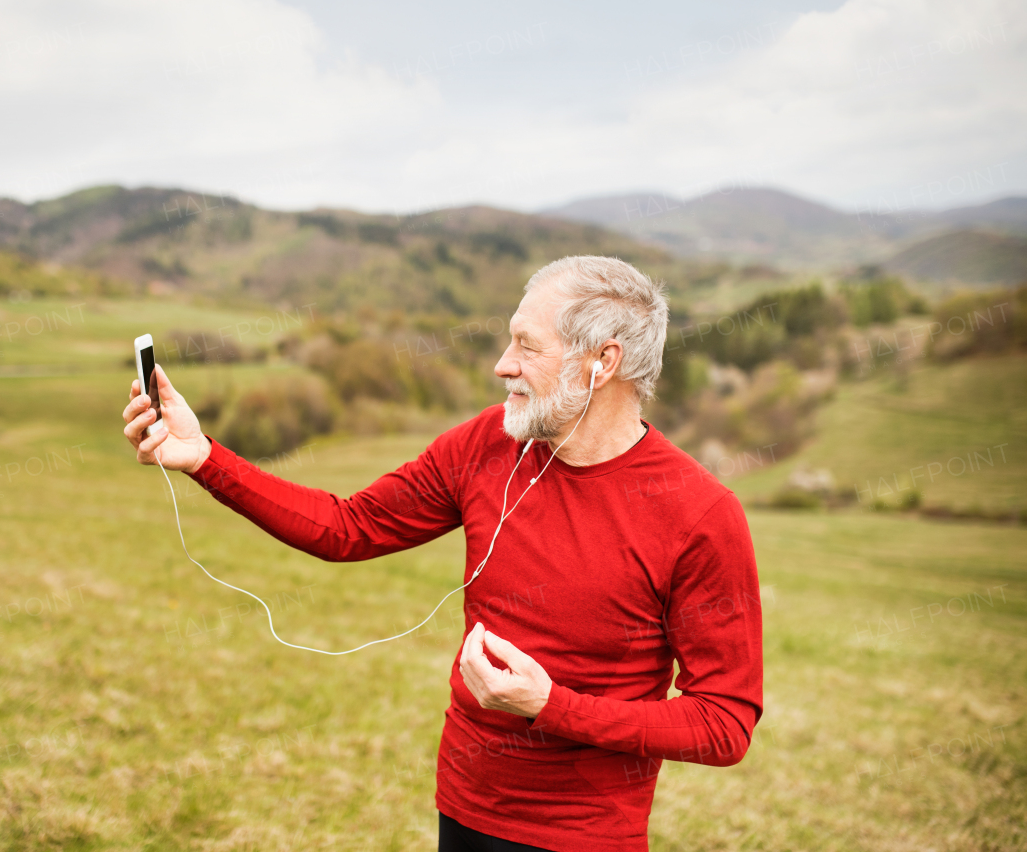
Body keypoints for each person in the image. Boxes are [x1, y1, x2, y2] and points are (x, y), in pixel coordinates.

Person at [122, 255, 764, 851]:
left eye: (527, 345)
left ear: (603, 361)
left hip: (584, 833)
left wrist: (551, 706)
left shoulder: (699, 515)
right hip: (462, 805)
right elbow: (346, 527)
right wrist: (204, 457)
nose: (503, 364)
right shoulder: (488, 444)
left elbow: (724, 724)